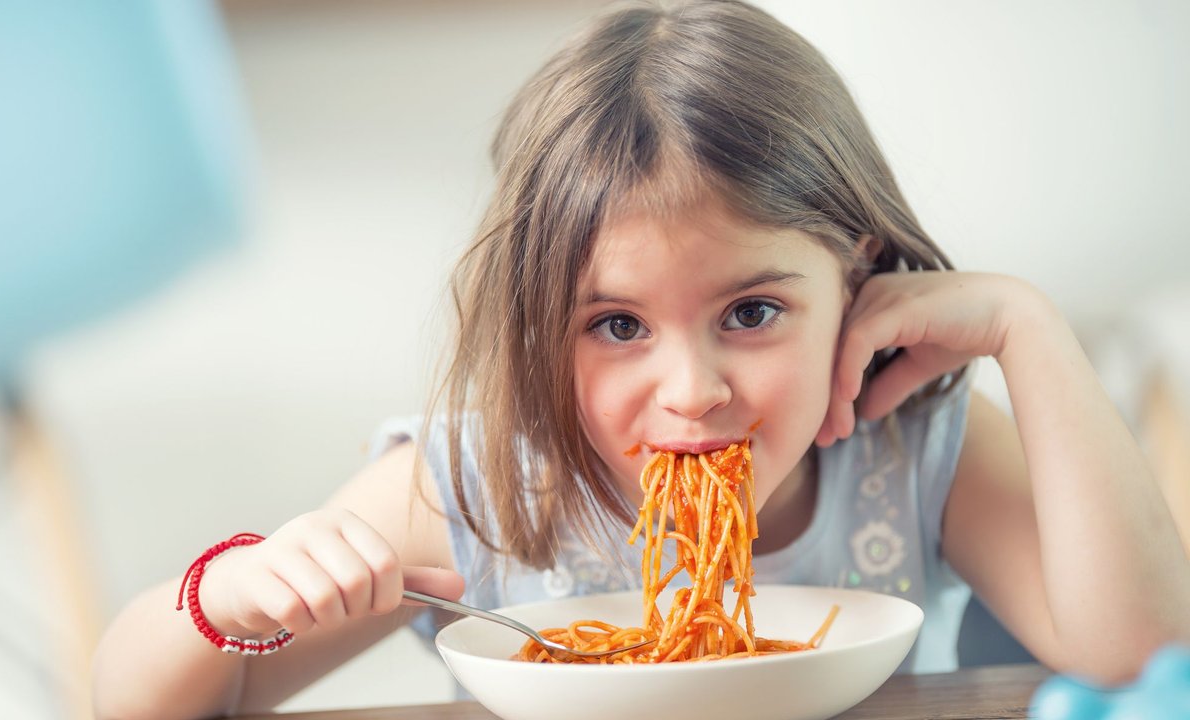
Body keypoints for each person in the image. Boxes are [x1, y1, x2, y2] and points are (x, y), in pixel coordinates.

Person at [92, 1, 1190, 717]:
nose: (690, 391)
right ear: (535, 323)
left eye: (751, 312)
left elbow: (1134, 654)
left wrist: (1025, 328)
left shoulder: (915, 451)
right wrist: (226, 594)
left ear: (855, 275)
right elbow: (138, 703)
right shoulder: (478, 491)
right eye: (616, 327)